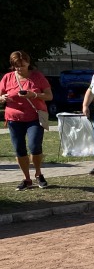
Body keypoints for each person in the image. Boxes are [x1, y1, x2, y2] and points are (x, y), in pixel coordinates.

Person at [0, 51, 53, 190]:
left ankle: (38, 174)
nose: (19, 69)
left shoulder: (37, 77)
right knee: (19, 149)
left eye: (22, 65)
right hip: (14, 119)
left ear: (28, 63)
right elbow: (0, 96)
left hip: (34, 118)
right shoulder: (7, 77)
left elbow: (49, 96)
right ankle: (26, 179)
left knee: (35, 146)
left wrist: (33, 94)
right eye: (16, 66)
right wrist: (2, 99)